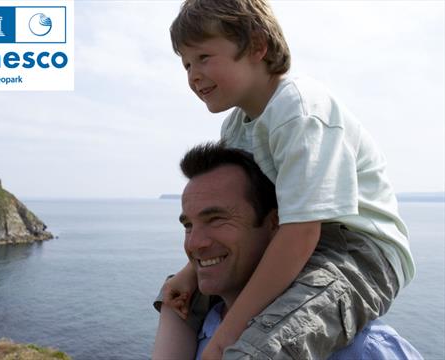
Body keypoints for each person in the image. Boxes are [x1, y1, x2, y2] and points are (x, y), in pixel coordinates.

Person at [161, 2, 415, 356]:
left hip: (357, 252)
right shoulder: (235, 127)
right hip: (288, 238)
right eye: (186, 64)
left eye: (204, 57)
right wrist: (188, 274)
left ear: (256, 46)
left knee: (258, 350)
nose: (193, 75)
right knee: (175, 297)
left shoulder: (298, 109)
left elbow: (302, 231)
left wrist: (226, 335)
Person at [152, 143, 422, 360]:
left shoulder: (363, 350)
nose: (194, 243)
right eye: (188, 225)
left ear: (275, 224)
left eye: (216, 219)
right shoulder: (191, 328)